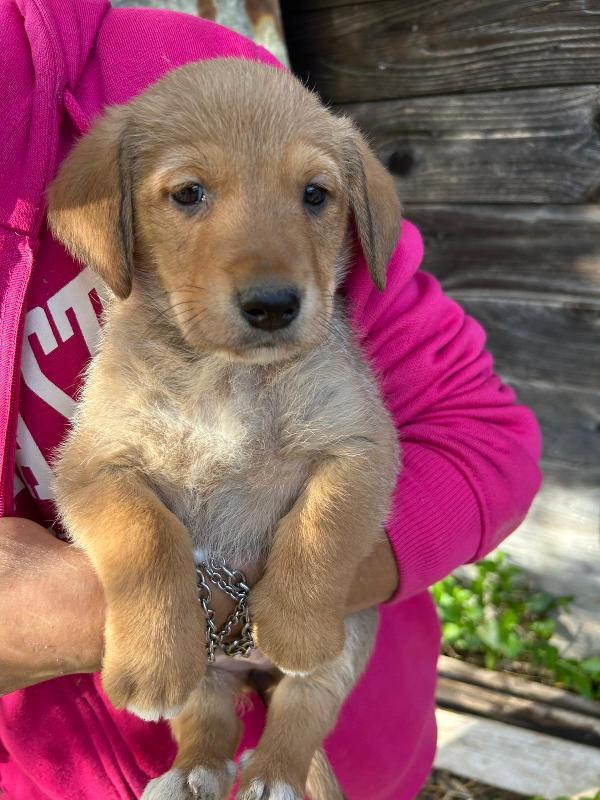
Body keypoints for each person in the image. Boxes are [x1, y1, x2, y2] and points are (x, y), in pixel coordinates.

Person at [0, 1, 542, 798]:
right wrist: (142, 574)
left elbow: (479, 436)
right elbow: (98, 471)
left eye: (315, 196)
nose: (268, 270)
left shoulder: (183, 73)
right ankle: (204, 747)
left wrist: (294, 589)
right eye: (188, 194)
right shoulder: (122, 220)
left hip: (362, 756)